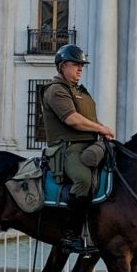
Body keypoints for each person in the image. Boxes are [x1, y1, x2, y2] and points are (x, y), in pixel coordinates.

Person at [42, 44, 115, 254]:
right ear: (63, 66)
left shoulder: (80, 91)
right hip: (68, 148)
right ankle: (70, 234)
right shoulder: (56, 90)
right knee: (83, 180)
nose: (80, 69)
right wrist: (101, 128)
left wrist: (102, 131)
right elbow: (73, 120)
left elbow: (89, 118)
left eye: (82, 65)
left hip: (90, 145)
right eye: (76, 65)